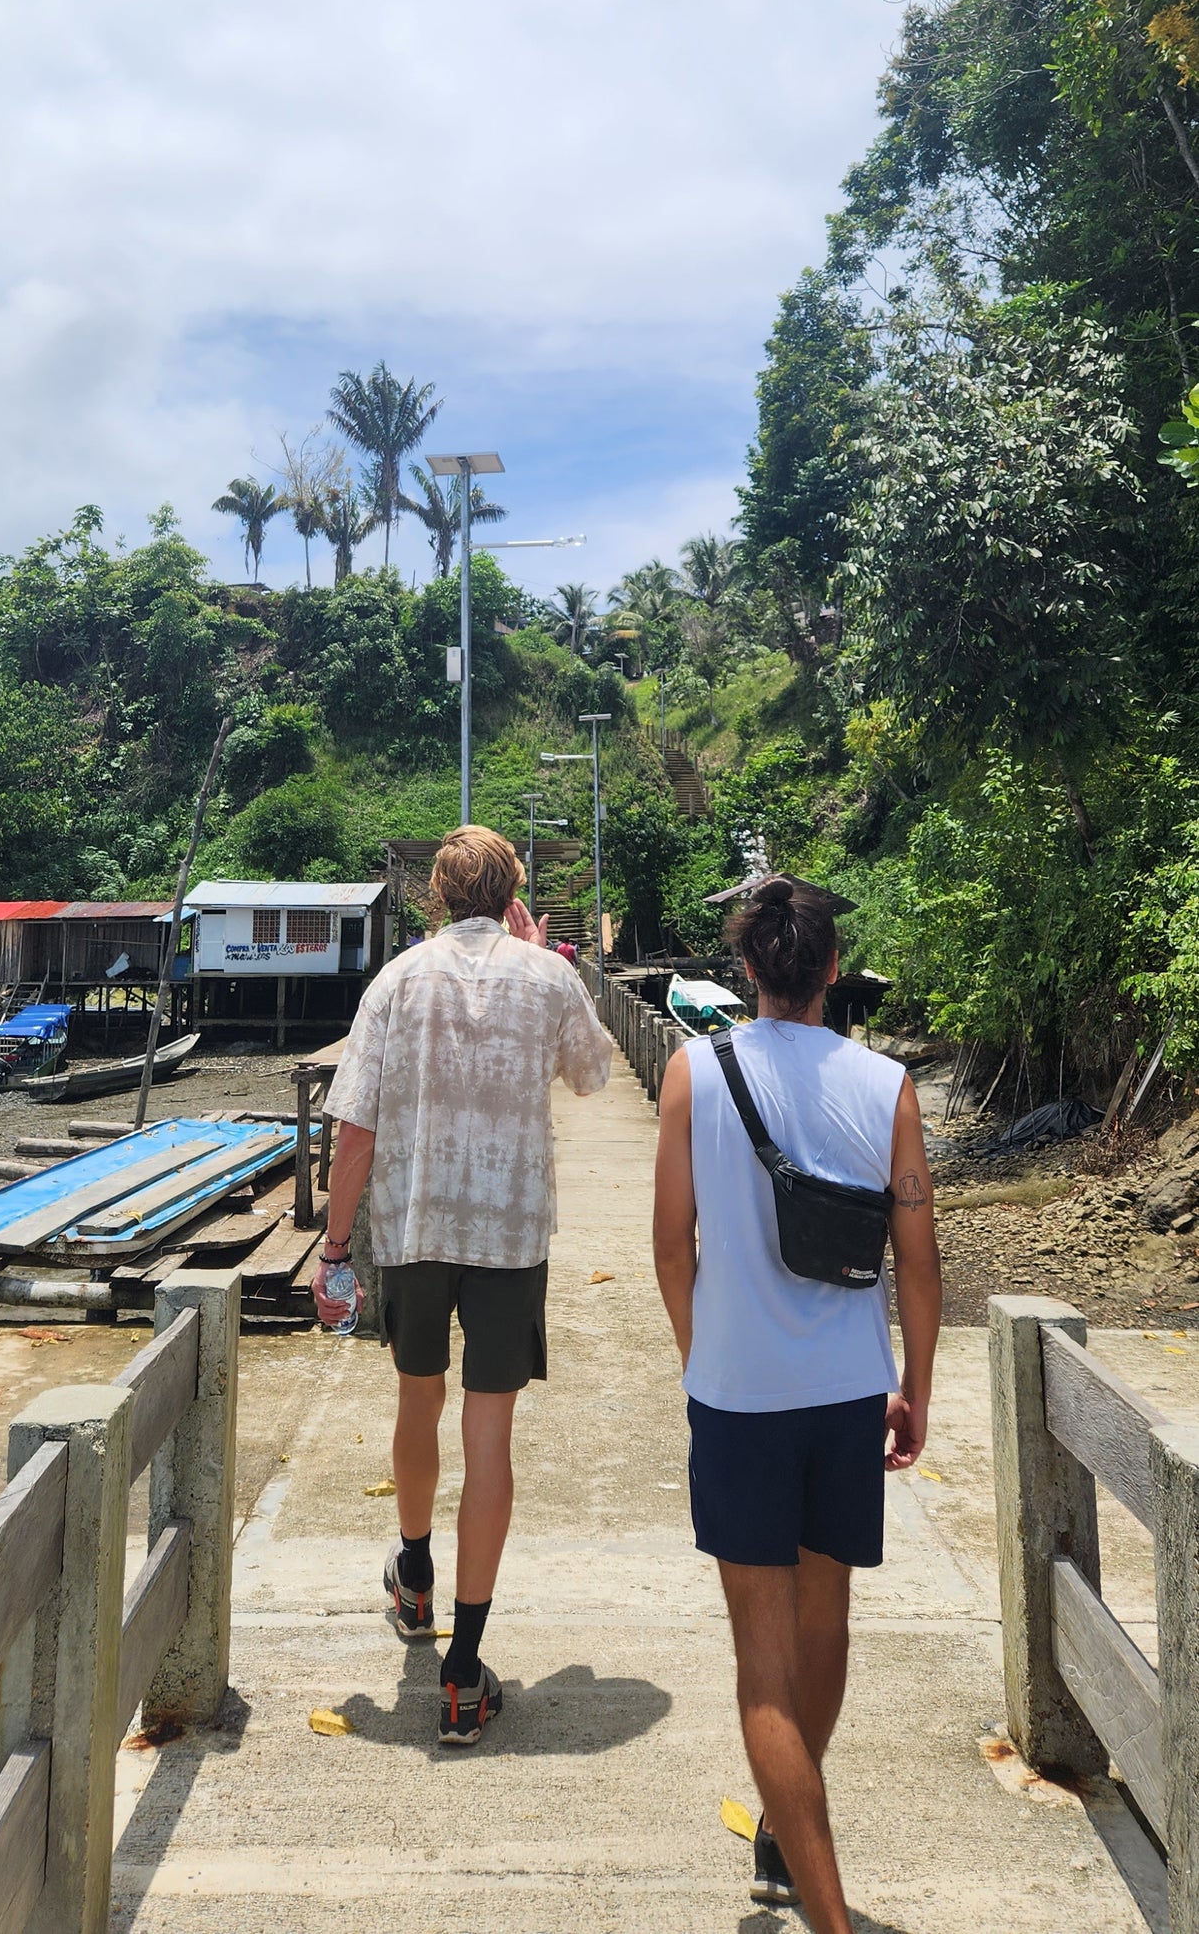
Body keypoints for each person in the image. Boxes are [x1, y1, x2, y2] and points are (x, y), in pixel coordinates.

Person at [652, 874, 941, 1933]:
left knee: (759, 1668)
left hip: (737, 1398)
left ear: (745, 973)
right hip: (843, 1395)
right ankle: (792, 1826)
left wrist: (705, 1357)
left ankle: (822, 1913)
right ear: (831, 971)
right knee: (825, 1626)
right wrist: (915, 1385)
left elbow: (667, 1245)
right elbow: (918, 1262)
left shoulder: (694, 1070)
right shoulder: (886, 1084)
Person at [315, 823, 612, 1745]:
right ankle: (462, 1669)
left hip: (413, 1227)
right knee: (491, 1437)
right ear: (513, 891)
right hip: (508, 1232)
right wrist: (541, 957)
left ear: (436, 896)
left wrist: (333, 1250)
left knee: (417, 1399)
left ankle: (414, 1575)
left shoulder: (395, 983)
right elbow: (595, 1073)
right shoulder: (546, 973)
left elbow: (354, 1128)